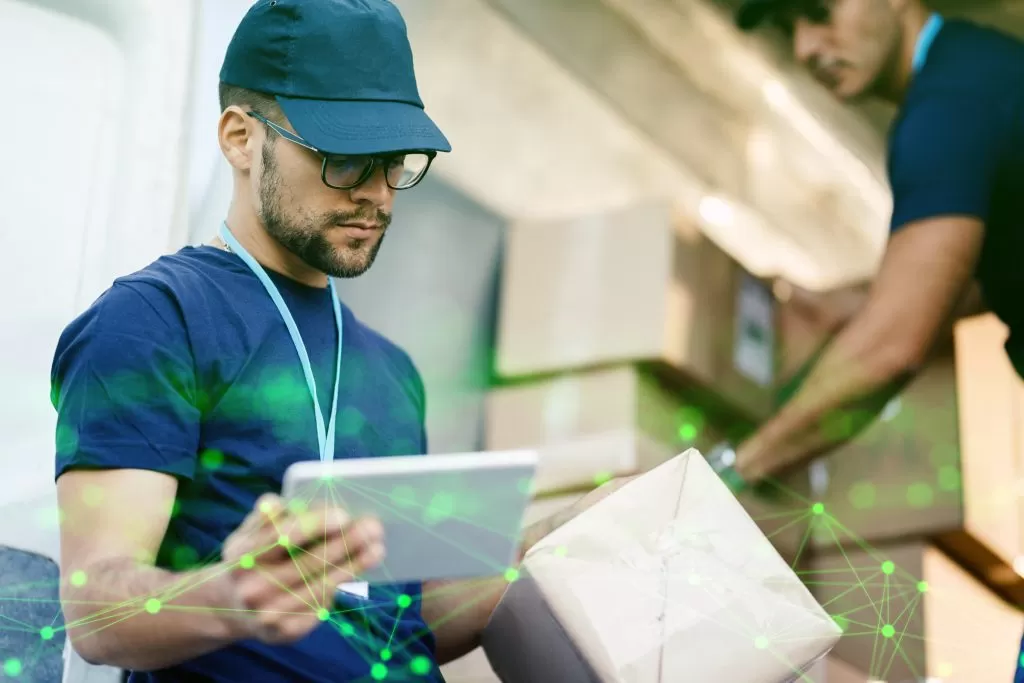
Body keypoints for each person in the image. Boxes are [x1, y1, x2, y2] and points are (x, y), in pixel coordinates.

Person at [51, 1, 618, 681]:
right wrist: (236, 594)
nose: (378, 194)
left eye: (396, 163)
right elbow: (95, 609)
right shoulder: (156, 318)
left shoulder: (393, 371)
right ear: (240, 138)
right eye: (345, 160)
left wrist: (546, 545)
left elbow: (396, 626)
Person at [714, 0, 1024, 677]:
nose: (804, 46)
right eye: (788, 28)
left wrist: (734, 471)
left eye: (817, 12)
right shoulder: (984, 72)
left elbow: (893, 346)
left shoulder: (949, 106)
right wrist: (849, 301)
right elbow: (975, 268)